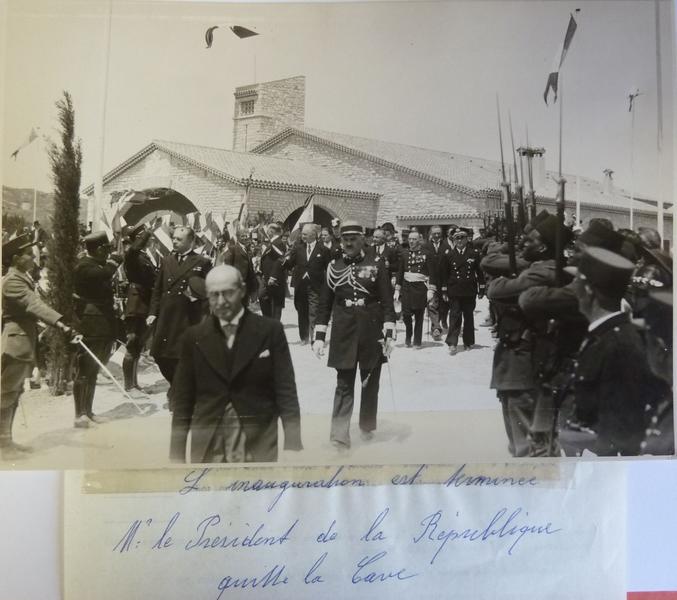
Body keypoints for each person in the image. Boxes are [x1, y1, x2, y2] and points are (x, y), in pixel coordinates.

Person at [170, 265, 302, 463]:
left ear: (242, 290)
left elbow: (286, 389)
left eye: (228, 293)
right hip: (209, 442)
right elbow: (183, 399)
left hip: (257, 442)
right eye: (214, 295)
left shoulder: (270, 331)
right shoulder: (194, 337)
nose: (221, 302)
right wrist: (176, 455)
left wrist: (292, 444)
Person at [565, 246, 664, 456]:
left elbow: (622, 432)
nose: (571, 288)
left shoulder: (618, 345)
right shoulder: (604, 335)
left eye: (577, 281)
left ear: (589, 291)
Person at [312, 221, 396, 451]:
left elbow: (387, 300)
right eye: (344, 238)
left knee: (369, 382)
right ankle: (339, 435)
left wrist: (389, 332)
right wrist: (319, 335)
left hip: (371, 329)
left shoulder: (376, 264)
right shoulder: (333, 266)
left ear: (362, 240)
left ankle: (367, 425)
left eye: (353, 238)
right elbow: (324, 304)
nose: (348, 242)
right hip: (344, 330)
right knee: (343, 383)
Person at [1, 235, 73, 458]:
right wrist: (60, 322)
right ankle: (2, 446)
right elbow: (33, 304)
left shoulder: (22, 277)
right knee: (6, 393)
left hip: (23, 339)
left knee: (14, 392)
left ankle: (6, 441)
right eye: (28, 255)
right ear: (15, 258)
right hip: (16, 342)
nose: (33, 257)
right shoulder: (12, 281)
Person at [147, 226, 211, 400]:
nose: (174, 241)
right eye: (174, 238)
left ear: (190, 241)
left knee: (181, 357)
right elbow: (158, 289)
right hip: (166, 316)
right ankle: (176, 386)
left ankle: (177, 393)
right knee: (160, 356)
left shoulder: (202, 262)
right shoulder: (166, 261)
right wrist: (153, 311)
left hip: (188, 316)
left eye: (179, 239)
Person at [72, 231, 121, 427]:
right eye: (106, 249)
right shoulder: (84, 266)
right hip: (90, 323)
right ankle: (79, 415)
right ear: (99, 249)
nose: (108, 254)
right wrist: (114, 261)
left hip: (102, 323)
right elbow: (104, 274)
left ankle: (88, 412)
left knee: (93, 370)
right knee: (85, 370)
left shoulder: (96, 264)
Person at [121, 223, 158, 395]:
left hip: (145, 301)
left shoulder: (144, 256)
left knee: (138, 346)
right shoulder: (132, 254)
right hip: (136, 303)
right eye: (147, 237)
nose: (151, 239)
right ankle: (129, 386)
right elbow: (133, 250)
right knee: (132, 344)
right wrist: (147, 232)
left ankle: (134, 384)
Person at [283, 223, 331, 344]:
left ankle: (313, 337)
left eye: (305, 234)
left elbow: (329, 268)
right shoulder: (297, 248)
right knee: (301, 310)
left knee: (313, 312)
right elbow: (289, 265)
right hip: (300, 286)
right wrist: (283, 260)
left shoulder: (323, 250)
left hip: (315, 286)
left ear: (313, 235)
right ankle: (304, 337)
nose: (302, 236)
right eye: (302, 234)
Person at [439, 229, 485, 353]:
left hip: (469, 290)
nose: (459, 241)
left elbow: (480, 273)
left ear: (466, 239)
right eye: (457, 239)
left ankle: (468, 341)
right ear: (454, 241)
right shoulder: (449, 254)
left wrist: (481, 288)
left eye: (462, 238)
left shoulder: (474, 253)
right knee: (454, 316)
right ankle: (452, 343)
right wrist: (444, 290)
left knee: (469, 316)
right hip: (454, 290)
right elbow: (444, 274)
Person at [395, 230, 437, 348]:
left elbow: (432, 273)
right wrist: (397, 289)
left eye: (414, 239)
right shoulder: (404, 254)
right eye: (410, 239)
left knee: (419, 315)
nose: (412, 241)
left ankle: (417, 341)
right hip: (407, 286)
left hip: (420, 287)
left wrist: (431, 290)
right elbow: (400, 272)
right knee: (407, 315)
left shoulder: (427, 254)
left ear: (419, 240)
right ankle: (409, 334)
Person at [423, 225, 450, 340]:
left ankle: (441, 322)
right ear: (430, 234)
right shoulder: (425, 246)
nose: (437, 235)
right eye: (435, 233)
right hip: (430, 280)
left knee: (443, 305)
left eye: (439, 233)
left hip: (444, 280)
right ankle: (436, 328)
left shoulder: (447, 246)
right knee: (432, 304)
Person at [215, 230, 258, 304]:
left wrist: (253, 286)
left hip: (246, 285)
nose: (245, 238)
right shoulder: (233, 248)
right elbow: (228, 266)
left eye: (245, 236)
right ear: (237, 237)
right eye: (242, 236)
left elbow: (250, 269)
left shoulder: (247, 249)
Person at [258, 223, 287, 320]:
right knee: (265, 300)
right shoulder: (274, 243)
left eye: (268, 230)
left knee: (275, 306)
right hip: (268, 278)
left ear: (272, 231)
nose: (267, 232)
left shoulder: (278, 243)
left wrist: (273, 276)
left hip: (274, 280)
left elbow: (280, 260)